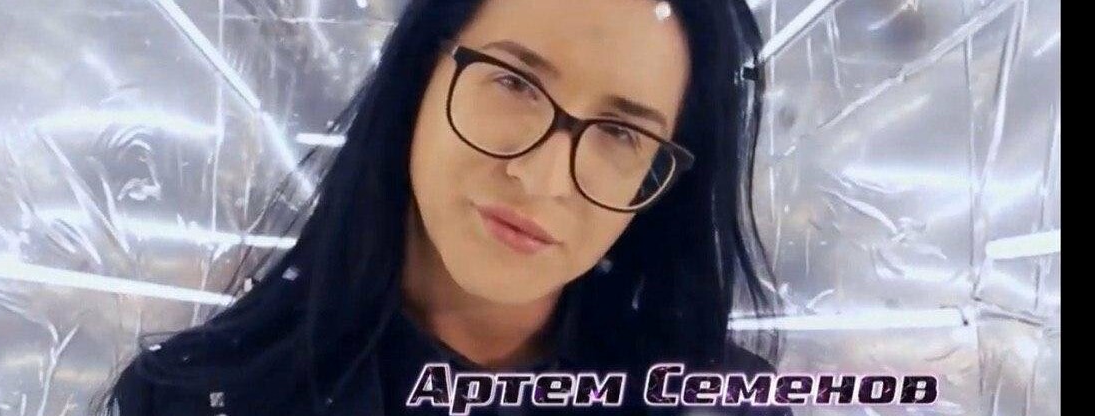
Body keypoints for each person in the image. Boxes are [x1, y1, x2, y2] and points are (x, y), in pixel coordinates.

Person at [98, 0, 787, 414]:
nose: (542, 178)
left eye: (620, 133)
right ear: (420, 74)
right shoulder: (195, 400)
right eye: (514, 83)